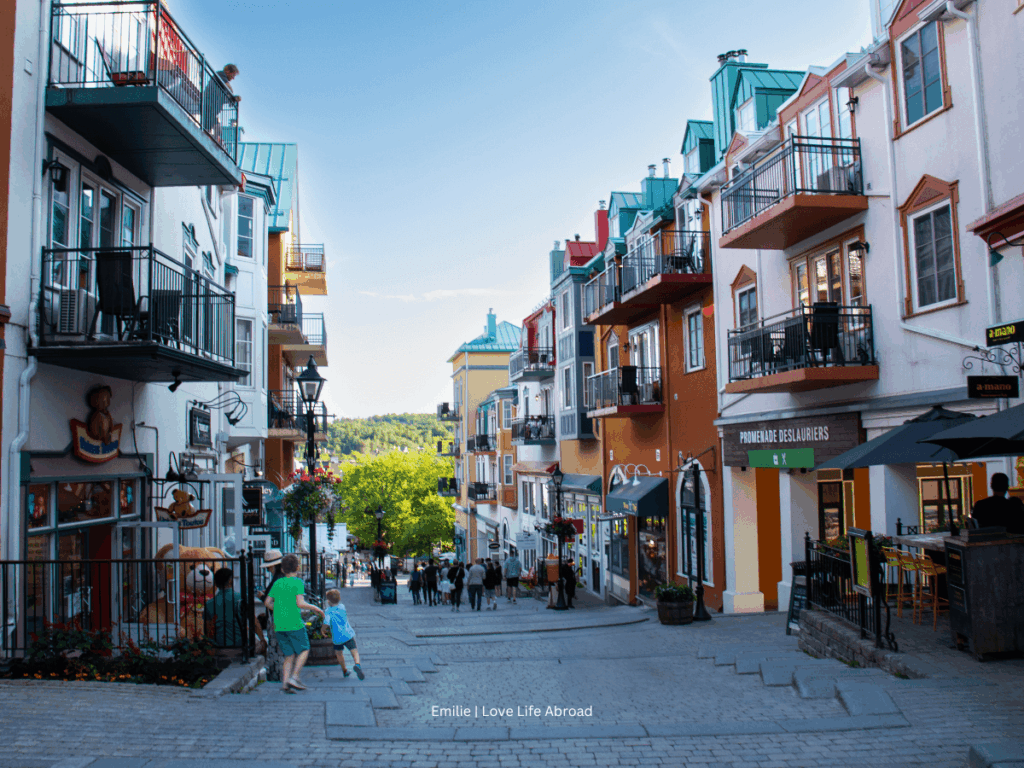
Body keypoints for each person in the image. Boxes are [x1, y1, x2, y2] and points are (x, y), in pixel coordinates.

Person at [265, 554, 324, 693]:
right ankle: (294, 677)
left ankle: (285, 683)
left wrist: (279, 609)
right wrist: (317, 609)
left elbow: (267, 602)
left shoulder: (277, 583)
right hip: (294, 622)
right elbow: (300, 603)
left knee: (289, 654)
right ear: (298, 567)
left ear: (282, 569)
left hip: (279, 624)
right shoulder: (297, 582)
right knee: (304, 648)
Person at [322, 589, 363, 680]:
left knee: (339, 653)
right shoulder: (342, 607)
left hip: (337, 637)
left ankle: (345, 671)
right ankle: (357, 664)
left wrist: (323, 630)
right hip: (347, 634)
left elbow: (326, 622)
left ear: (328, 601)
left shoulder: (328, 611)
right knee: (354, 651)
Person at [204, 567, 243, 648]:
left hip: (218, 645)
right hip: (240, 644)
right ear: (230, 580)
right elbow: (254, 622)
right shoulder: (240, 598)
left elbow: (208, 630)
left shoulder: (209, 603)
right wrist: (262, 639)